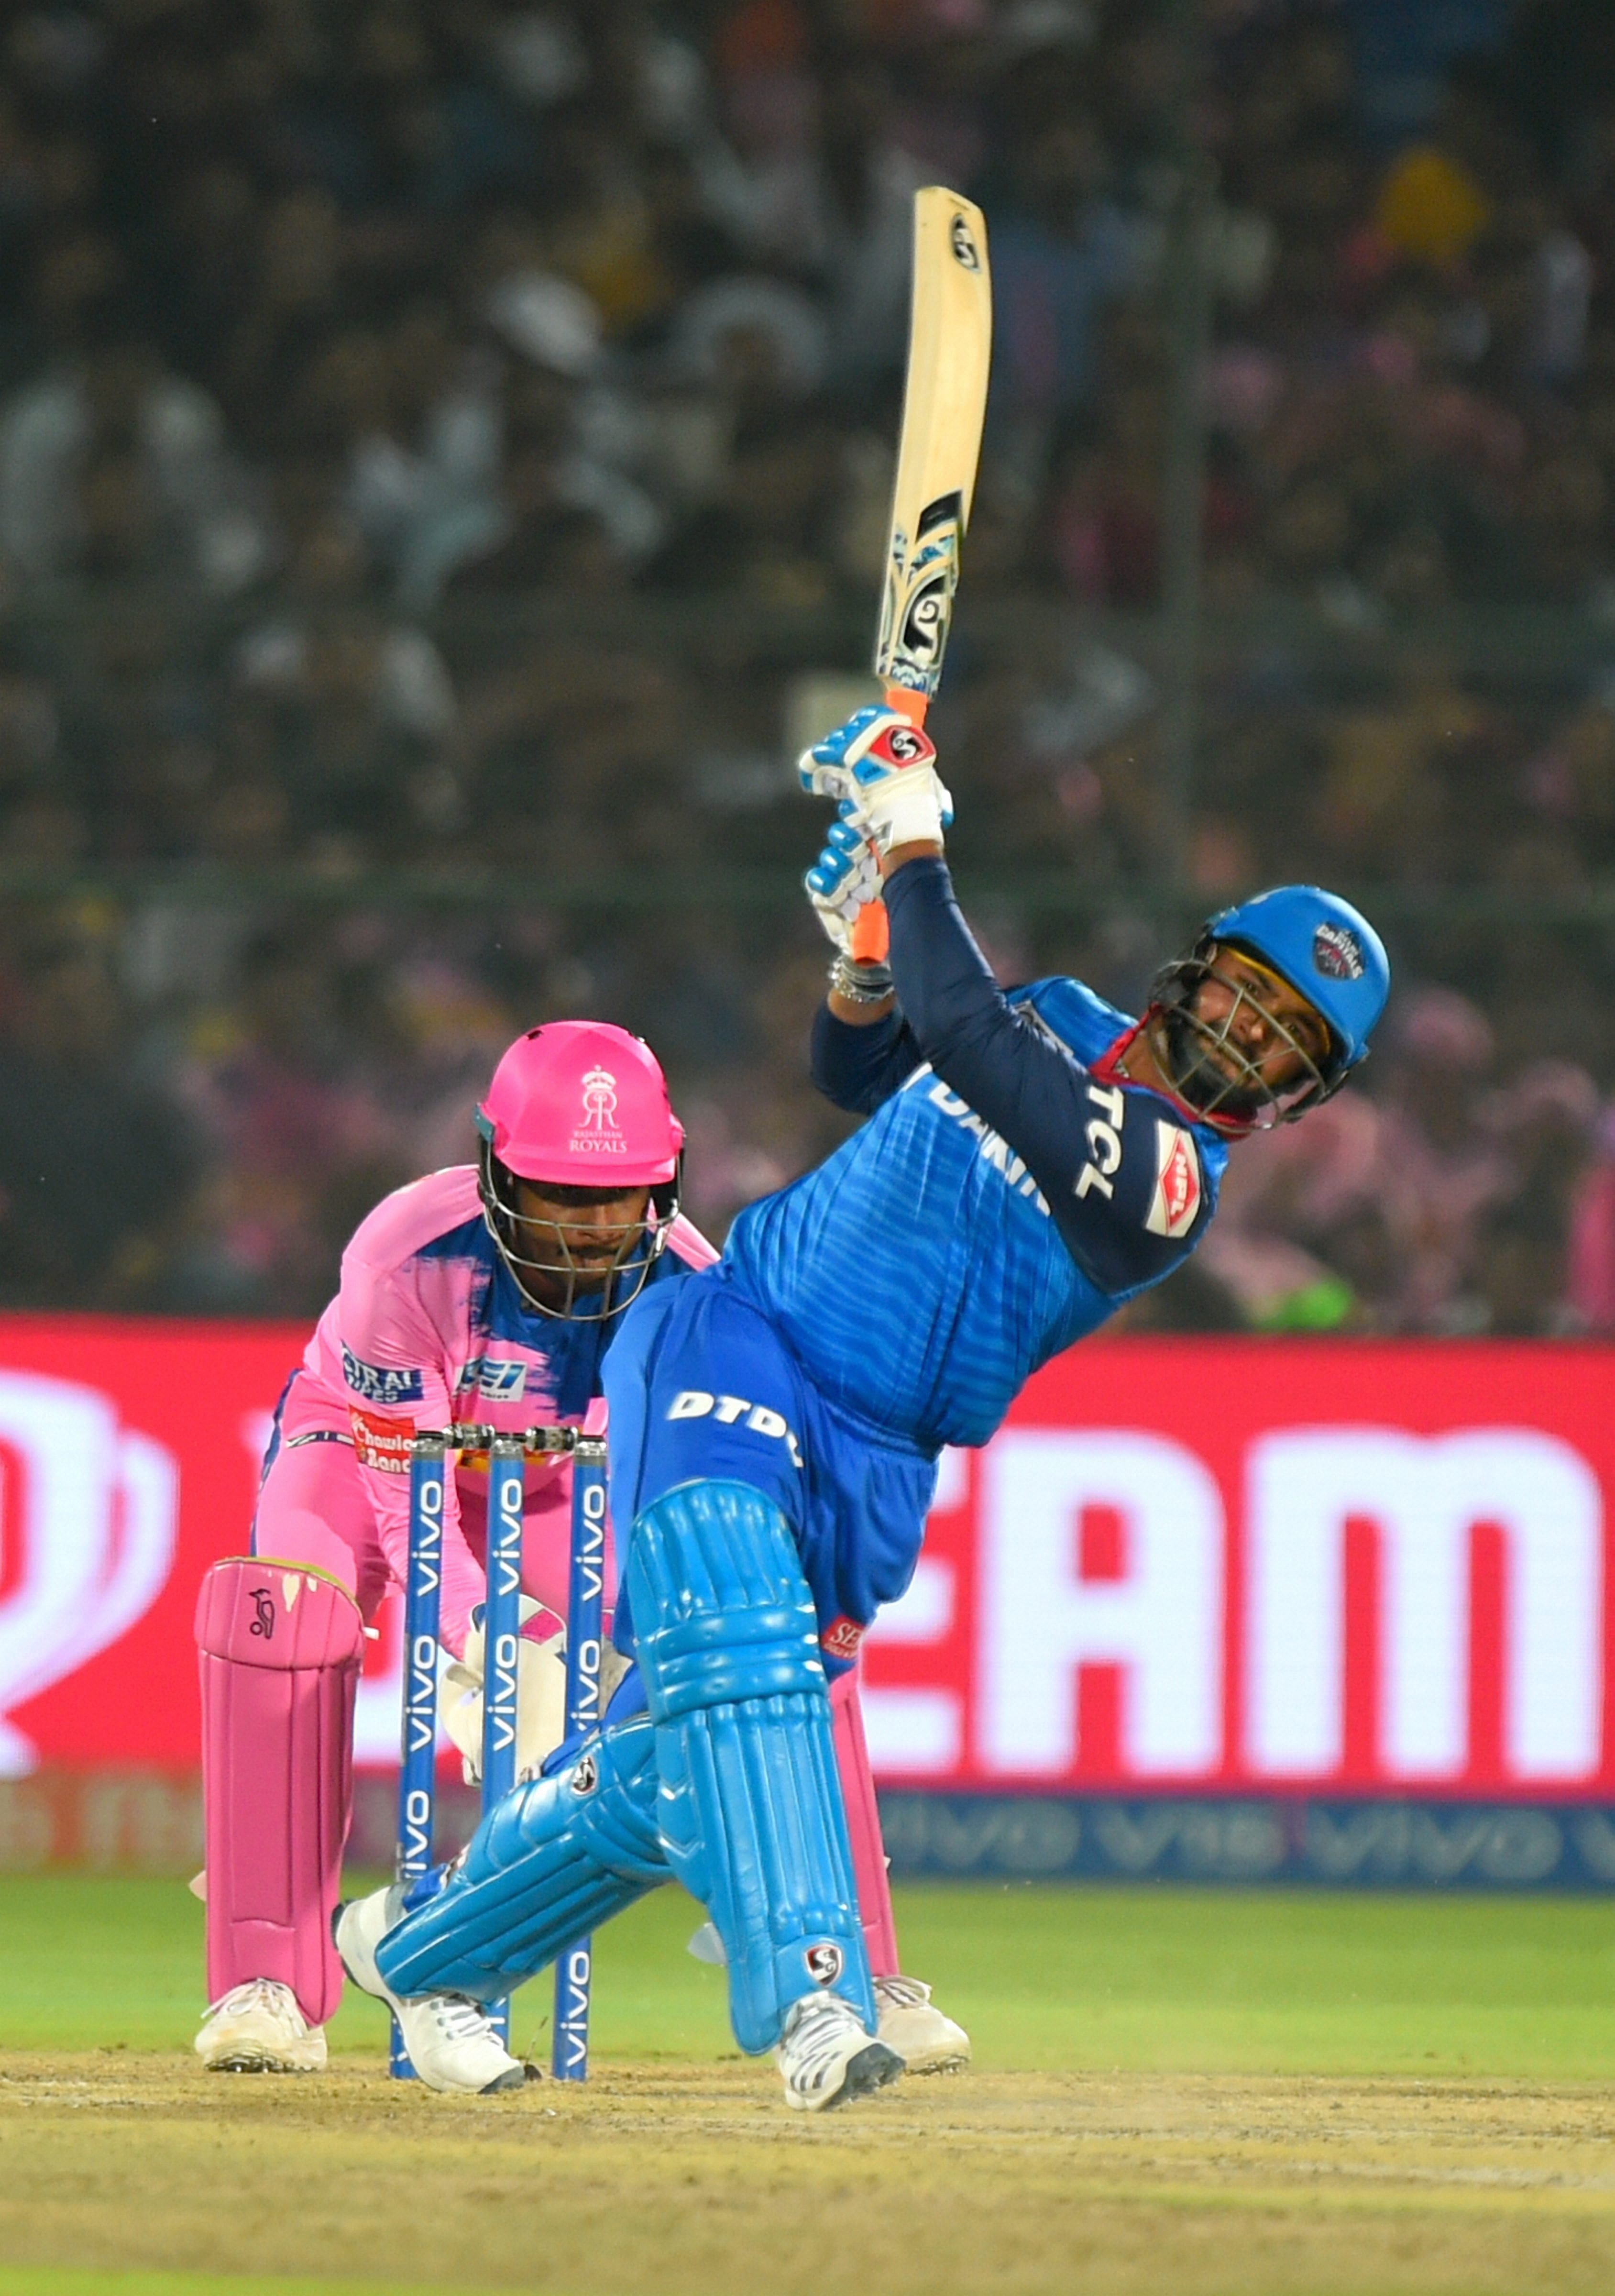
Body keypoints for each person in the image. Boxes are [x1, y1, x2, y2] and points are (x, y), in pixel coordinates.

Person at [332, 705, 1390, 2111]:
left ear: (1304, 1094)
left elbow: (966, 1032)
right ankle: (816, 2002)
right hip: (743, 1334)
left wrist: (910, 840)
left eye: (1287, 1044)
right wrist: (864, 964)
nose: (1248, 1042)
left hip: (878, 1461)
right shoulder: (1060, 1014)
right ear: (1197, 973)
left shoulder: (1169, 1186)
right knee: (741, 1649)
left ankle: (422, 1954)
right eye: (1249, 999)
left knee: (671, 1762)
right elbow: (864, 1069)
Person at [193, 1015, 965, 2088]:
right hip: (366, 1452)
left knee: (769, 1635)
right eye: (561, 1193)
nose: (594, 1229)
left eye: (620, 1197)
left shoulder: (694, 1290)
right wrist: (482, 1634)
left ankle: (853, 1969)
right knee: (284, 1615)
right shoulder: (405, 1253)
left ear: (666, 1183)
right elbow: (399, 1481)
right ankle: (265, 1985)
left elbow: (668, 1496)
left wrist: (629, 1669)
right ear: (496, 1171)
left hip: (561, 1481)